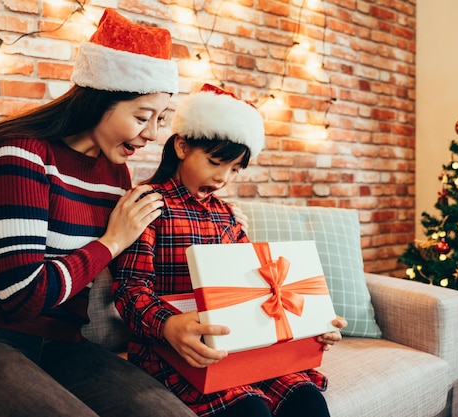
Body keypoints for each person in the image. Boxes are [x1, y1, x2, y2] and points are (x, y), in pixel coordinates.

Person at [0, 8, 200, 417]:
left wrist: (216, 232)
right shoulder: (22, 153)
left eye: (161, 119)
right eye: (141, 117)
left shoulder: (116, 172)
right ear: (100, 99)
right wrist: (112, 240)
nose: (152, 134)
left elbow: (136, 277)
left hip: (64, 345)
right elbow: (23, 297)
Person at [113, 84, 348, 417]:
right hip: (171, 348)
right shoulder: (149, 205)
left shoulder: (227, 214)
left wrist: (311, 323)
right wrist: (169, 326)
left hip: (238, 344)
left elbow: (260, 289)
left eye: (235, 169)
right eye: (215, 162)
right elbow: (129, 289)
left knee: (307, 401)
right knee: (248, 409)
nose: (223, 177)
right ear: (181, 146)